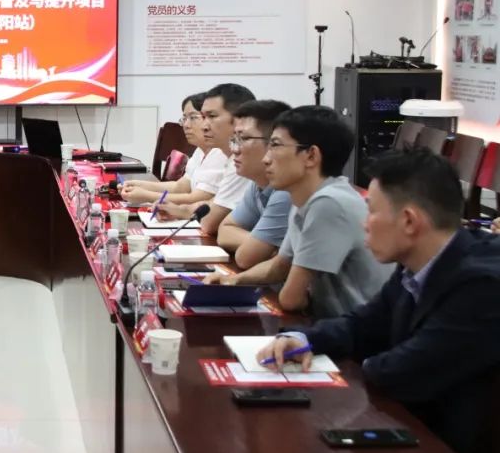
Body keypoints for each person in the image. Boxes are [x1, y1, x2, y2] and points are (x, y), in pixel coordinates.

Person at [256, 149, 500, 453]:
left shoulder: (482, 285)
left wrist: (359, 363)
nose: (364, 224)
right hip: (416, 435)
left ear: (409, 221)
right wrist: (304, 340)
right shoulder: (416, 264)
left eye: (371, 211)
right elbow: (363, 324)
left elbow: (405, 372)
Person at [206, 105, 391, 318]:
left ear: (311, 155)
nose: (266, 158)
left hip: (357, 331)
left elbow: (290, 299)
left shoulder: (329, 203)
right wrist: (234, 280)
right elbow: (279, 266)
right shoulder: (303, 198)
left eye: (275, 145)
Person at [155, 83, 255, 234]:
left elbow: (210, 224)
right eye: (203, 117)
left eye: (212, 116)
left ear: (240, 119)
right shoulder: (231, 158)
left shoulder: (244, 161)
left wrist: (183, 210)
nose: (204, 126)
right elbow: (213, 203)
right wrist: (182, 210)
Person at [216, 100, 292, 269]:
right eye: (235, 139)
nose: (234, 149)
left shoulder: (287, 191)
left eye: (243, 139)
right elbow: (224, 230)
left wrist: (259, 246)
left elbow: (246, 258)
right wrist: (265, 245)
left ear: (274, 143)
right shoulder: (257, 183)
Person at [121, 92, 225, 206]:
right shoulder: (200, 151)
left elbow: (196, 199)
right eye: (184, 118)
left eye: (193, 117)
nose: (186, 125)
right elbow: (179, 187)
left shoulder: (219, 153)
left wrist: (146, 196)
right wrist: (136, 185)